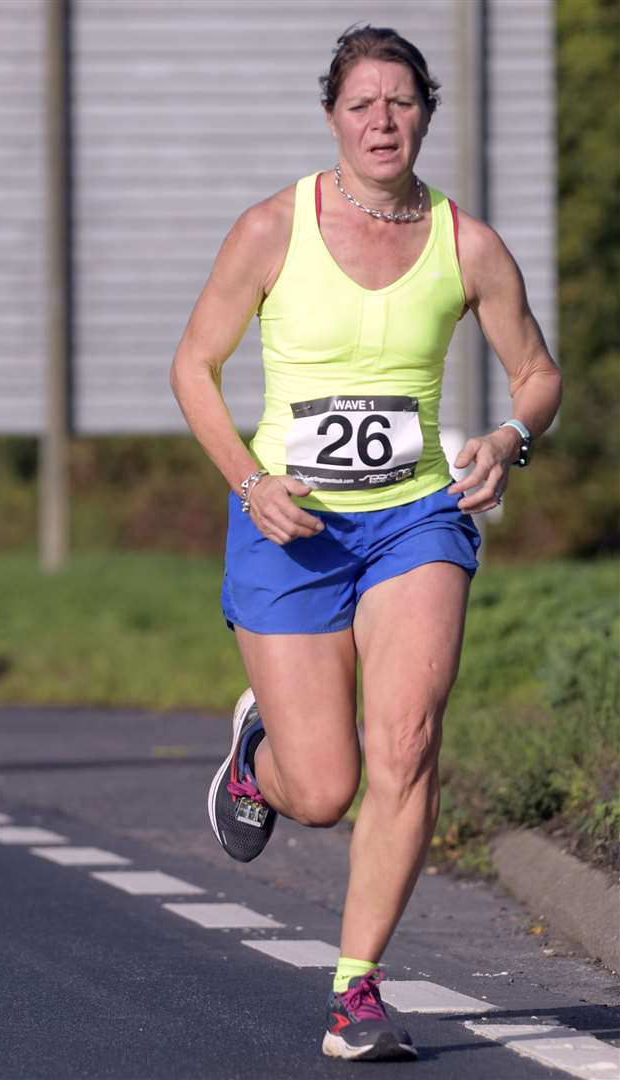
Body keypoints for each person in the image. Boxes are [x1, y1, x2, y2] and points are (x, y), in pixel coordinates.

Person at [170, 26, 561, 1063]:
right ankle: (256, 751)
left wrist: (507, 438)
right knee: (326, 788)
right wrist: (248, 483)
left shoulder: (465, 244)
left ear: (424, 112)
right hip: (288, 522)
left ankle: (355, 991)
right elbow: (192, 369)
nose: (381, 120)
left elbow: (536, 375)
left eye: (399, 102)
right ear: (332, 117)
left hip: (415, 517)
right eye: (361, 104)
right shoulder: (270, 228)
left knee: (407, 740)